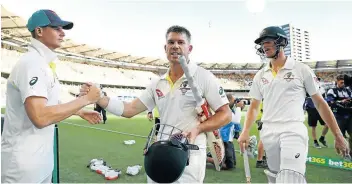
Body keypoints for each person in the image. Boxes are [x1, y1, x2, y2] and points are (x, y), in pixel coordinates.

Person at [80, 25, 232, 183]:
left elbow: (226, 114)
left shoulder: (204, 77)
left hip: (189, 155)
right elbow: (130, 109)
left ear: (190, 48)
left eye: (181, 42)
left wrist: (198, 128)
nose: (175, 46)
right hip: (160, 152)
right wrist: (98, 98)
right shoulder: (157, 82)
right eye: (171, 42)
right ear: (165, 48)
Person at [1, 9, 102, 183]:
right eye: (57, 28)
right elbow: (40, 116)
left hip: (40, 162)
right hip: (22, 168)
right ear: (39, 31)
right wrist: (85, 99)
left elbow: (49, 104)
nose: (63, 33)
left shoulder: (43, 64)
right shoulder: (32, 63)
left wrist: (79, 111)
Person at [238, 26, 349, 183]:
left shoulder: (301, 69)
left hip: (292, 129)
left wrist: (338, 135)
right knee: (274, 177)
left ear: (281, 42)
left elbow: (320, 102)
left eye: (268, 41)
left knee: (290, 178)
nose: (264, 45)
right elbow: (254, 106)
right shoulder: (260, 75)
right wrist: (245, 131)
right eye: (262, 43)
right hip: (268, 131)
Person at [207, 94, 243, 170]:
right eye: (234, 101)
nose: (235, 102)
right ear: (228, 101)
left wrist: (239, 108)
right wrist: (239, 107)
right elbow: (237, 120)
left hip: (228, 139)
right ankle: (209, 159)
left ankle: (214, 155)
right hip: (225, 139)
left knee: (232, 164)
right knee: (229, 166)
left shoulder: (228, 110)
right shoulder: (227, 111)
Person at [326, 75, 352, 157]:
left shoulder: (348, 91)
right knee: (340, 136)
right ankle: (342, 153)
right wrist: (341, 102)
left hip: (349, 115)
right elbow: (329, 101)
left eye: (344, 82)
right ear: (337, 81)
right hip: (339, 116)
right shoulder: (332, 91)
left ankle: (349, 152)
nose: (343, 84)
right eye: (341, 82)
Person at [304, 77, 329, 148]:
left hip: (320, 109)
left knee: (327, 124)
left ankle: (322, 138)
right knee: (313, 127)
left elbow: (324, 99)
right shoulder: (307, 89)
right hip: (312, 109)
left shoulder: (322, 89)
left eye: (317, 80)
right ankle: (315, 142)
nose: (316, 81)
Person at [255, 101, 268, 168]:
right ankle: (259, 161)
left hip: (261, 117)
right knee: (263, 139)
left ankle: (263, 158)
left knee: (266, 138)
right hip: (262, 118)